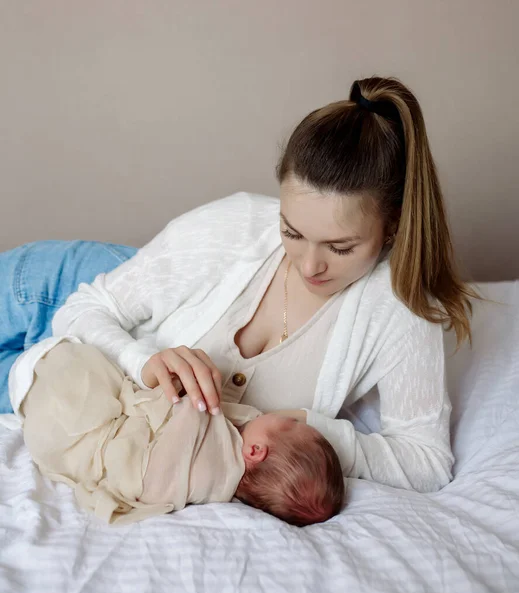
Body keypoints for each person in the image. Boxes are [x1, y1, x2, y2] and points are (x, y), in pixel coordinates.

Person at [1, 76, 477, 493]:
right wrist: (143, 361)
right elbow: (82, 308)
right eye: (291, 232)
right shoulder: (233, 225)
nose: (310, 264)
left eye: (340, 247)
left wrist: (310, 430)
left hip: (72, 392)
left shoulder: (399, 310)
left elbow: (428, 463)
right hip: (50, 291)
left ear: (391, 227)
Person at [13, 338, 344, 526]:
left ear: (255, 451)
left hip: (82, 433)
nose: (279, 415)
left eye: (289, 424)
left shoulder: (218, 449)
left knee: (71, 363)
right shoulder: (219, 488)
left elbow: (189, 413)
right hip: (55, 443)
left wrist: (196, 398)